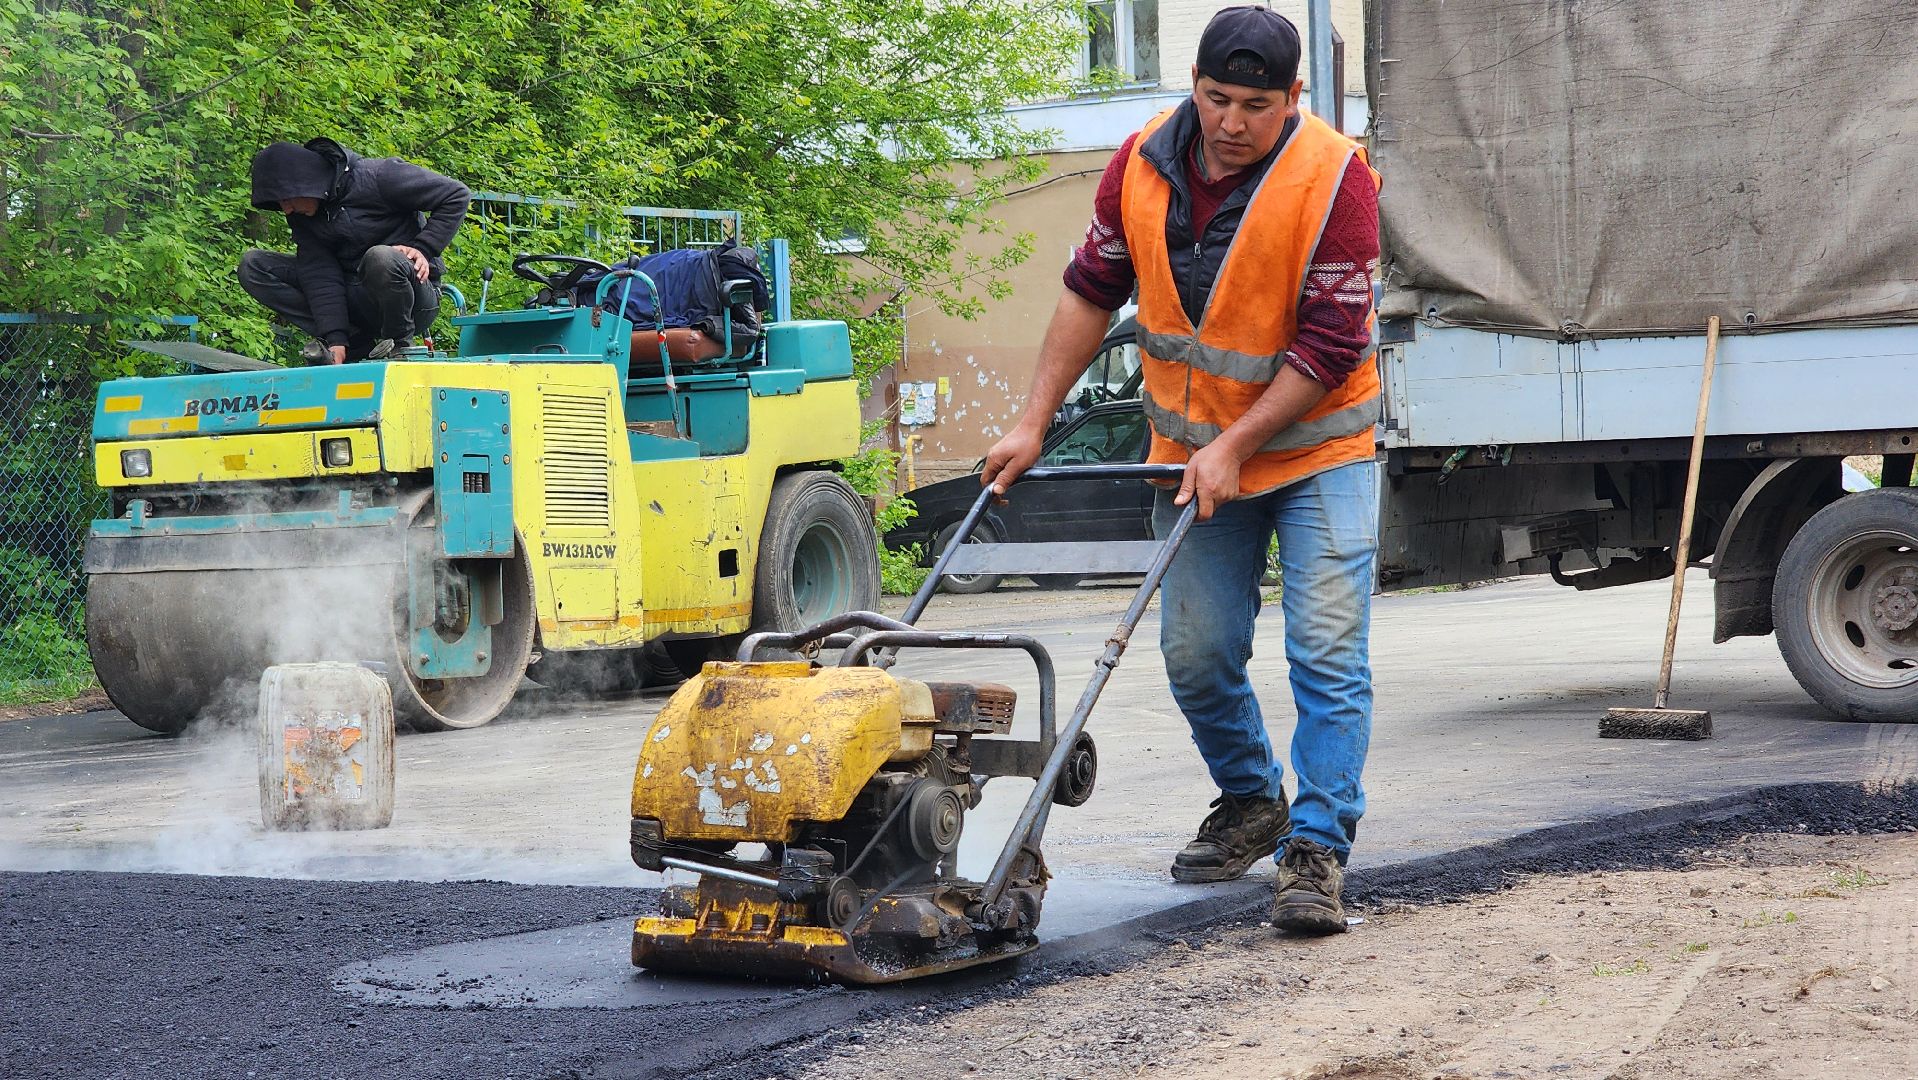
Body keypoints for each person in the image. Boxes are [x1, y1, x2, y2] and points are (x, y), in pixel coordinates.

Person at [980, 5, 1381, 936]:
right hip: (1191, 455)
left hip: (1319, 450)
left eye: (1254, 104)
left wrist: (1237, 446)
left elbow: (1330, 340)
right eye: (1215, 98)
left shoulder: (1337, 181)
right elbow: (1091, 290)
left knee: (1326, 656)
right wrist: (1033, 423)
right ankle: (1252, 800)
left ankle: (1316, 850)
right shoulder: (1139, 165)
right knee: (1196, 657)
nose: (1232, 122)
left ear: (1294, 98)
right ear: (1191, 84)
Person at [241, 138, 470, 364]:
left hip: (413, 297)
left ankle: (399, 345)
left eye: (287, 199)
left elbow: (456, 195)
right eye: (279, 203)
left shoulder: (380, 176)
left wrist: (423, 248)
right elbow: (321, 276)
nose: (286, 209)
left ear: (306, 183)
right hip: (356, 297)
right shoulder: (303, 215)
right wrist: (336, 337)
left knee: (380, 257)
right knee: (253, 266)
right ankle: (355, 343)